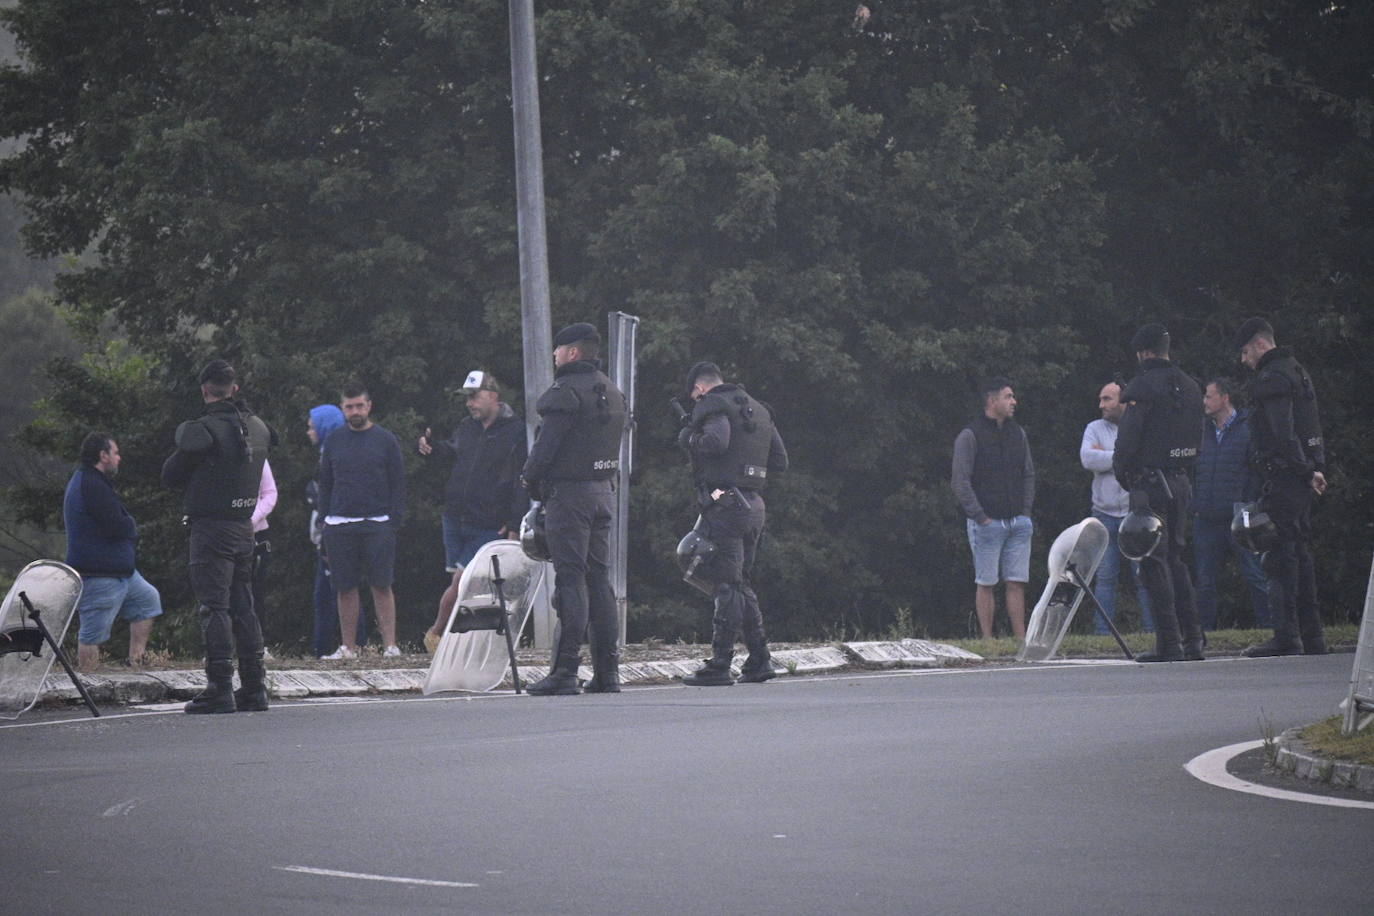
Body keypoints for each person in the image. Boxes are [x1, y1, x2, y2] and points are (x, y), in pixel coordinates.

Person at [520, 323, 627, 695]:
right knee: (599, 580)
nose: (553, 355)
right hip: (603, 492)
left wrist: (530, 483)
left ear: (573, 353)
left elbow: (544, 450)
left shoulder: (565, 393)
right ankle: (608, 672)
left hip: (569, 496)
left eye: (559, 349)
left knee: (570, 579)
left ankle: (565, 671)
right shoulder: (612, 391)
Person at [161, 360, 274, 713]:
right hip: (245, 528)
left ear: (204, 390)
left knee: (215, 607)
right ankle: (255, 686)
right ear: (234, 388)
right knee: (244, 605)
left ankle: (220, 687)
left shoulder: (204, 430)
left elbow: (170, 475)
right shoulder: (258, 428)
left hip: (211, 529)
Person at [676, 362, 789, 686]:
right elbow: (780, 461)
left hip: (724, 501)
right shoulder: (758, 410)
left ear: (700, 389)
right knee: (740, 583)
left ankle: (720, 663)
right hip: (754, 504)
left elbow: (715, 443)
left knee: (725, 583)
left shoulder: (713, 405)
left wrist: (688, 437)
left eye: (695, 396)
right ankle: (759, 659)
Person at [1234, 318, 1328, 657]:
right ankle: (1313, 636)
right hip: (1301, 476)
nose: (1244, 360)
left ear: (1260, 345)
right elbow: (1311, 426)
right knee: (1301, 554)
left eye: (1245, 351)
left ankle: (1286, 636)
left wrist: (1302, 470)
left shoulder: (1272, 377)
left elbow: (1283, 432)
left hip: (1285, 476)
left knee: (1279, 557)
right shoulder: (1297, 370)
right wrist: (1315, 468)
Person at [418, 370, 528, 653]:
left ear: (493, 396)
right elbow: (455, 453)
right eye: (467, 398)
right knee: (463, 585)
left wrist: (515, 521)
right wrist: (432, 450)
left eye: (474, 397)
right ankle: (467, 643)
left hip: (489, 521)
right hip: (455, 516)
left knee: (462, 581)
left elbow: (522, 479)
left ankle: (436, 635)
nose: (469, 403)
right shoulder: (467, 427)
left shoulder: (516, 432)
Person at [1113, 324, 1204, 662]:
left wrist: (1125, 473)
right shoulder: (1192, 387)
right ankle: (1194, 639)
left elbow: (1127, 441)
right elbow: (1199, 439)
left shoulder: (1142, 387)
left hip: (1150, 484)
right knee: (1178, 560)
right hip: (1182, 480)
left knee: (1153, 561)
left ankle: (1168, 643)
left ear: (1143, 353)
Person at [317, 383, 407, 659]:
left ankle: (390, 646)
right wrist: (325, 522)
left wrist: (393, 522)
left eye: (359, 405)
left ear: (369, 406)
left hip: (378, 522)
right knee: (345, 587)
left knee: (381, 584)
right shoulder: (333, 441)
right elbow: (325, 484)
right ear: (343, 409)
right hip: (339, 523)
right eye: (349, 406)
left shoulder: (386, 440)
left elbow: (398, 483)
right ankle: (348, 647)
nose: (355, 411)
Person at [63, 432, 162, 671]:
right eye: (115, 453)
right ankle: (87, 680)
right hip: (99, 573)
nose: (120, 457)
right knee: (92, 634)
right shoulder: (91, 485)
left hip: (121, 571)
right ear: (103, 456)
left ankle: (136, 663)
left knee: (147, 601)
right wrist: (131, 526)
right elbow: (117, 525)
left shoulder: (95, 482)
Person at [951, 377, 1035, 639]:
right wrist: (980, 516)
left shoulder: (1017, 433)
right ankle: (989, 640)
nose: (1014, 402)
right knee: (986, 582)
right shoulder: (971, 435)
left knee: (1016, 582)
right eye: (1008, 396)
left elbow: (1028, 473)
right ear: (992, 401)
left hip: (1017, 521)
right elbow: (960, 480)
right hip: (987, 521)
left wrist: (1026, 512)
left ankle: (1021, 638)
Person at [1191, 377, 1269, 630]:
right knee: (1204, 579)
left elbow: (1257, 469)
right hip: (1206, 514)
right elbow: (1194, 469)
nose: (1204, 401)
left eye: (1208, 396)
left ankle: (1270, 627)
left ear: (1224, 398)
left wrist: (1247, 500)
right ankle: (1204, 631)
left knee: (1254, 572)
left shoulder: (1247, 428)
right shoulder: (1202, 431)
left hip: (1239, 513)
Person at [1079, 381, 1154, 634]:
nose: (1101, 405)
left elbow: (1147, 458)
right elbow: (1087, 458)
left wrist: (1107, 456)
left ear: (1123, 401)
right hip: (1104, 513)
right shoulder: (1094, 428)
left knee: (1144, 578)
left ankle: (1152, 632)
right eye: (1101, 399)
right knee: (1105, 578)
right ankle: (1103, 634)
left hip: (1135, 514)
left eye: (1107, 399)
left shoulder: (1140, 425)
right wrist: (1122, 457)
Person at [305, 404, 366, 657]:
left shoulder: (334, 454)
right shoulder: (325, 452)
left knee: (340, 592)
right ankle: (323, 650)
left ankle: (357, 645)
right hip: (325, 534)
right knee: (325, 596)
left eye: (311, 427)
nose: (308, 432)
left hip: (335, 533)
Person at [249, 458, 277, 655]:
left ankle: (259, 646)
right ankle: (217, 648)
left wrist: (252, 520)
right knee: (220, 591)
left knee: (256, 591)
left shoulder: (258, 458)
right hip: (224, 531)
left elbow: (269, 493)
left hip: (256, 532)